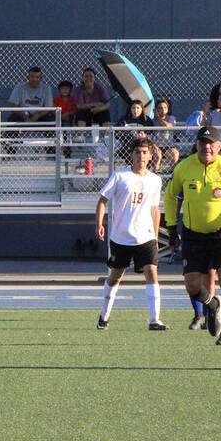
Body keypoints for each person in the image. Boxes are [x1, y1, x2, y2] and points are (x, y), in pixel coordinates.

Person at [163, 126, 221, 346]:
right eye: (203, 143)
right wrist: (173, 228)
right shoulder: (184, 167)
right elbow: (170, 197)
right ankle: (212, 306)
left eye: (211, 143)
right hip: (193, 235)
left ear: (219, 146)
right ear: (197, 145)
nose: (207, 147)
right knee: (192, 286)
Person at [95, 137, 166, 331]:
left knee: (152, 271)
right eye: (137, 152)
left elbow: (154, 209)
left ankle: (154, 320)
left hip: (146, 236)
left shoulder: (154, 180)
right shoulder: (119, 176)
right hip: (121, 236)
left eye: (144, 153)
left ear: (150, 156)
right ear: (131, 155)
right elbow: (102, 200)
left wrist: (156, 235)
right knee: (116, 276)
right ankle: (104, 315)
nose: (141, 156)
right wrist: (99, 224)